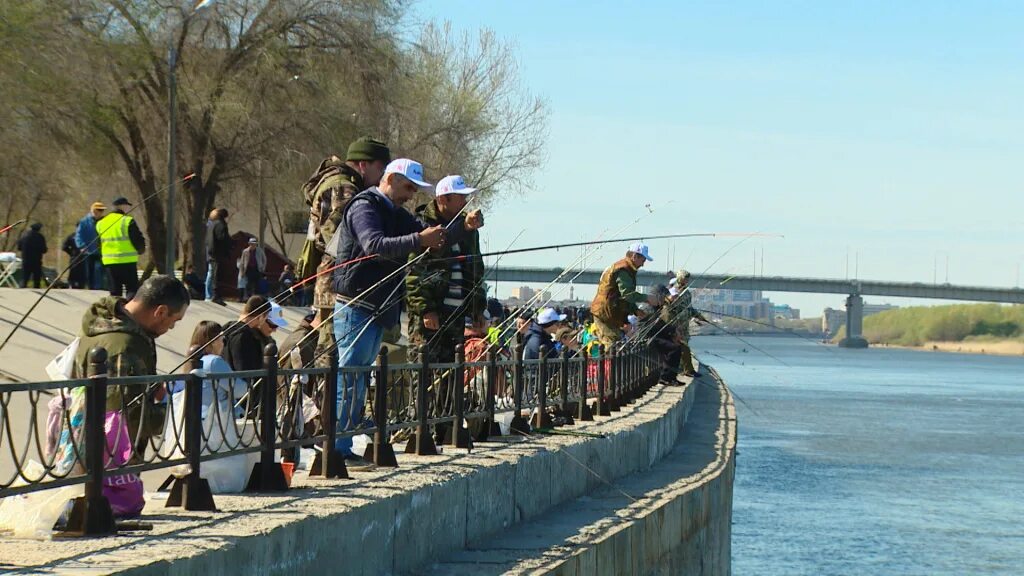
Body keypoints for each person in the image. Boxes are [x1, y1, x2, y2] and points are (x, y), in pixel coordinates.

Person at [330, 158, 483, 460]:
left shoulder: (396, 213)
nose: (411, 194)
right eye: (409, 187)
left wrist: (463, 228)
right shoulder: (365, 206)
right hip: (355, 305)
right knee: (349, 376)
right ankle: (336, 449)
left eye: (415, 189)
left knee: (359, 377)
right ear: (391, 179)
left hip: (377, 308)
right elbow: (373, 244)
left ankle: (343, 446)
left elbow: (433, 237)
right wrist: (418, 239)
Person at [70, 275, 190, 516]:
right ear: (160, 311)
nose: (171, 328)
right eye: (173, 321)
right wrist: (173, 416)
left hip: (88, 450)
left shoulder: (105, 327)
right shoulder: (125, 345)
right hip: (111, 466)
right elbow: (126, 416)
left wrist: (149, 384)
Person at [300, 137, 392, 388]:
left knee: (339, 353)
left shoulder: (346, 184)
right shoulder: (343, 187)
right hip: (337, 282)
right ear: (363, 164)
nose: (382, 177)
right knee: (333, 353)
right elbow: (341, 240)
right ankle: (328, 418)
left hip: (338, 280)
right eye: (380, 169)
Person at [405, 175, 487, 443]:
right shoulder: (422, 226)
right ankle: (419, 429)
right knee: (423, 371)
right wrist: (426, 309)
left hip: (456, 315)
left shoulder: (466, 229)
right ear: (443, 199)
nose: (464, 201)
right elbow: (414, 273)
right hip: (431, 316)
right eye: (460, 197)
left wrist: (477, 307)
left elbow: (475, 268)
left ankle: (445, 427)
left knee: (450, 373)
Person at [589, 242, 653, 346]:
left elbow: (624, 298)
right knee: (611, 344)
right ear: (634, 256)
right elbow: (627, 295)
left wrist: (636, 310)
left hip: (609, 314)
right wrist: (647, 298)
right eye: (643, 260)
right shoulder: (623, 269)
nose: (643, 264)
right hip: (604, 314)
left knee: (616, 342)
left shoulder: (626, 269)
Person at [97, 196, 146, 299]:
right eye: (127, 206)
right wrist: (141, 250)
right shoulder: (127, 221)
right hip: (127, 261)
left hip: (109, 262)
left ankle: (116, 312)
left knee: (115, 292)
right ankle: (129, 312)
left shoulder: (101, 223)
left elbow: (99, 243)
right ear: (122, 207)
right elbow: (137, 239)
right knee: (132, 289)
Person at [667, 269, 710, 377]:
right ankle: (684, 369)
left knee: (684, 345)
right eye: (685, 278)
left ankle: (683, 369)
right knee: (681, 347)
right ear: (680, 278)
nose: (686, 281)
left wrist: (699, 317)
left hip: (685, 325)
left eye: (687, 279)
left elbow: (689, 309)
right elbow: (669, 308)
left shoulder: (687, 293)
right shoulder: (673, 291)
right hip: (676, 325)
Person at [643, 284, 683, 384]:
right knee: (674, 348)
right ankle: (665, 377)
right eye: (663, 297)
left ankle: (672, 377)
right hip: (648, 337)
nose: (664, 300)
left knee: (678, 346)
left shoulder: (656, 308)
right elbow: (657, 326)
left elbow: (661, 325)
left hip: (656, 335)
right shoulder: (649, 309)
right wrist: (673, 332)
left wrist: (673, 332)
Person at [75, 201, 106, 290]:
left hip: (103, 251)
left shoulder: (105, 221)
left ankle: (101, 287)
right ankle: (92, 288)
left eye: (102, 210)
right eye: (98, 210)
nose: (100, 212)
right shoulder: (84, 222)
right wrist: (81, 246)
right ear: (93, 211)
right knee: (90, 271)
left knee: (102, 270)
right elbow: (78, 235)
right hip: (89, 251)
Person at [205, 208, 231, 305]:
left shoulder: (211, 225)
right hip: (218, 254)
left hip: (211, 252)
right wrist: (230, 244)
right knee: (216, 275)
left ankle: (208, 295)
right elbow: (222, 238)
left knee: (211, 273)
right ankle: (215, 295)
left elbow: (208, 240)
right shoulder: (221, 225)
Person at [16, 222, 47, 288]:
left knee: (25, 277)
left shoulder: (24, 236)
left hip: (26, 260)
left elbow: (19, 247)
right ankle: (36, 289)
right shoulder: (40, 237)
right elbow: (44, 250)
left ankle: (22, 290)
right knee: (36, 279)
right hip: (36, 260)